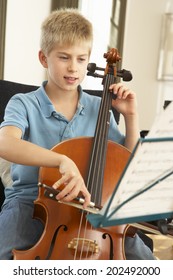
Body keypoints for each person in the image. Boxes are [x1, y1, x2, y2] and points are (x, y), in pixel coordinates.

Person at [0, 8, 155, 260]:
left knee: (147, 263)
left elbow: (127, 164)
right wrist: (62, 160)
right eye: (64, 57)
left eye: (81, 59)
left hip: (91, 208)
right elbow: (5, 143)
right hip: (30, 203)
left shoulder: (99, 108)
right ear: (43, 58)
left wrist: (131, 117)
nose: (73, 68)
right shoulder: (24, 103)